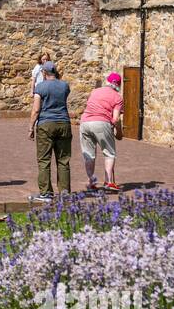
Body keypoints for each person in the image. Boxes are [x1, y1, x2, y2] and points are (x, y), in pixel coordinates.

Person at [29, 61, 71, 203]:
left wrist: (31, 127)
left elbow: (36, 110)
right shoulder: (64, 86)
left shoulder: (40, 87)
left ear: (44, 73)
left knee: (44, 160)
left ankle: (46, 193)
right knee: (63, 160)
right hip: (64, 123)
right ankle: (65, 193)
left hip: (46, 124)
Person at [80, 73, 124, 192]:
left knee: (89, 154)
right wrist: (119, 132)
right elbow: (116, 118)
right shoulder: (117, 97)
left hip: (85, 122)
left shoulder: (95, 91)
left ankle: (91, 182)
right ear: (119, 85)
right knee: (109, 153)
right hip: (102, 122)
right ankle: (109, 182)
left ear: (107, 82)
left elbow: (88, 104)